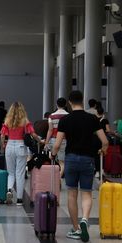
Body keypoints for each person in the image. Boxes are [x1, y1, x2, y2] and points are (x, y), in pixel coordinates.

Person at [50, 91, 108, 242]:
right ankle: (85, 220)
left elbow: (57, 144)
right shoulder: (92, 118)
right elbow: (105, 141)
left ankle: (76, 228)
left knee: (71, 194)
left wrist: (53, 155)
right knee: (87, 193)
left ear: (69, 102)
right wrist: (103, 150)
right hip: (88, 159)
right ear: (82, 101)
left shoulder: (65, 120)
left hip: (71, 159)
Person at [0, 101, 41, 206]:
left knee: (11, 172)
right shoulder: (25, 120)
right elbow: (32, 133)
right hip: (21, 146)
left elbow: (2, 135)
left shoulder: (7, 120)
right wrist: (40, 141)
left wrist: (2, 147)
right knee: (20, 173)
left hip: (9, 146)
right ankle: (19, 199)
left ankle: (9, 190)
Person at [45, 98, 69, 176]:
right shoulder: (68, 116)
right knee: (62, 161)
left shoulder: (51, 116)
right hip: (64, 140)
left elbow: (50, 130)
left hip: (53, 140)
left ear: (57, 104)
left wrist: (46, 142)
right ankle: (59, 176)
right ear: (65, 105)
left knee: (54, 159)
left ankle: (56, 178)